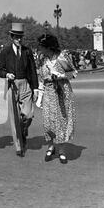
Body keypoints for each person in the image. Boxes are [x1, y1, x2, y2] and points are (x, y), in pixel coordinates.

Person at [0, 23, 39, 157]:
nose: (19, 39)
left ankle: (24, 129)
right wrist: (6, 75)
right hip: (11, 86)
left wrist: (36, 88)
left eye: (20, 37)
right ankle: (19, 146)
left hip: (25, 84)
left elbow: (32, 70)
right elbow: (0, 70)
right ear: (11, 37)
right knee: (14, 117)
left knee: (28, 114)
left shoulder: (27, 51)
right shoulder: (5, 52)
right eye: (16, 37)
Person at [36, 34, 77, 164]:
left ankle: (62, 150)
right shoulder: (42, 59)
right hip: (48, 92)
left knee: (61, 121)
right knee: (48, 121)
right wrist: (40, 94)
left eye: (41, 47)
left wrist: (60, 76)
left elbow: (73, 73)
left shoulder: (62, 57)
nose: (39, 49)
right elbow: (41, 78)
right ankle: (50, 146)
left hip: (62, 92)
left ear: (49, 47)